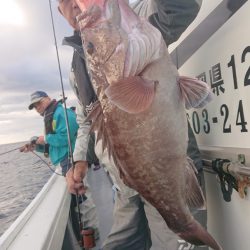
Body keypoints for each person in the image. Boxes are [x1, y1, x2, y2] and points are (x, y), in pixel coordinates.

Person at [58, 0, 207, 249]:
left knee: (178, 238)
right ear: (59, 11)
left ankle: (185, 227)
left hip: (161, 167)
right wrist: (79, 160)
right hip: (124, 182)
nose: (74, 3)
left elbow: (181, 8)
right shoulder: (76, 67)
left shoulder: (136, 18)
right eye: (65, 0)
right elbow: (86, 118)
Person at [20, 90, 99, 244]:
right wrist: (36, 147)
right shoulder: (51, 117)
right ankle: (86, 234)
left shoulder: (61, 113)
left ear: (48, 99)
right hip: (64, 162)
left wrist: (45, 138)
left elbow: (67, 136)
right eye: (34, 106)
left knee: (82, 198)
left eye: (39, 103)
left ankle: (93, 232)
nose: (37, 108)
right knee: (78, 199)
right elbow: (54, 146)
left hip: (70, 161)